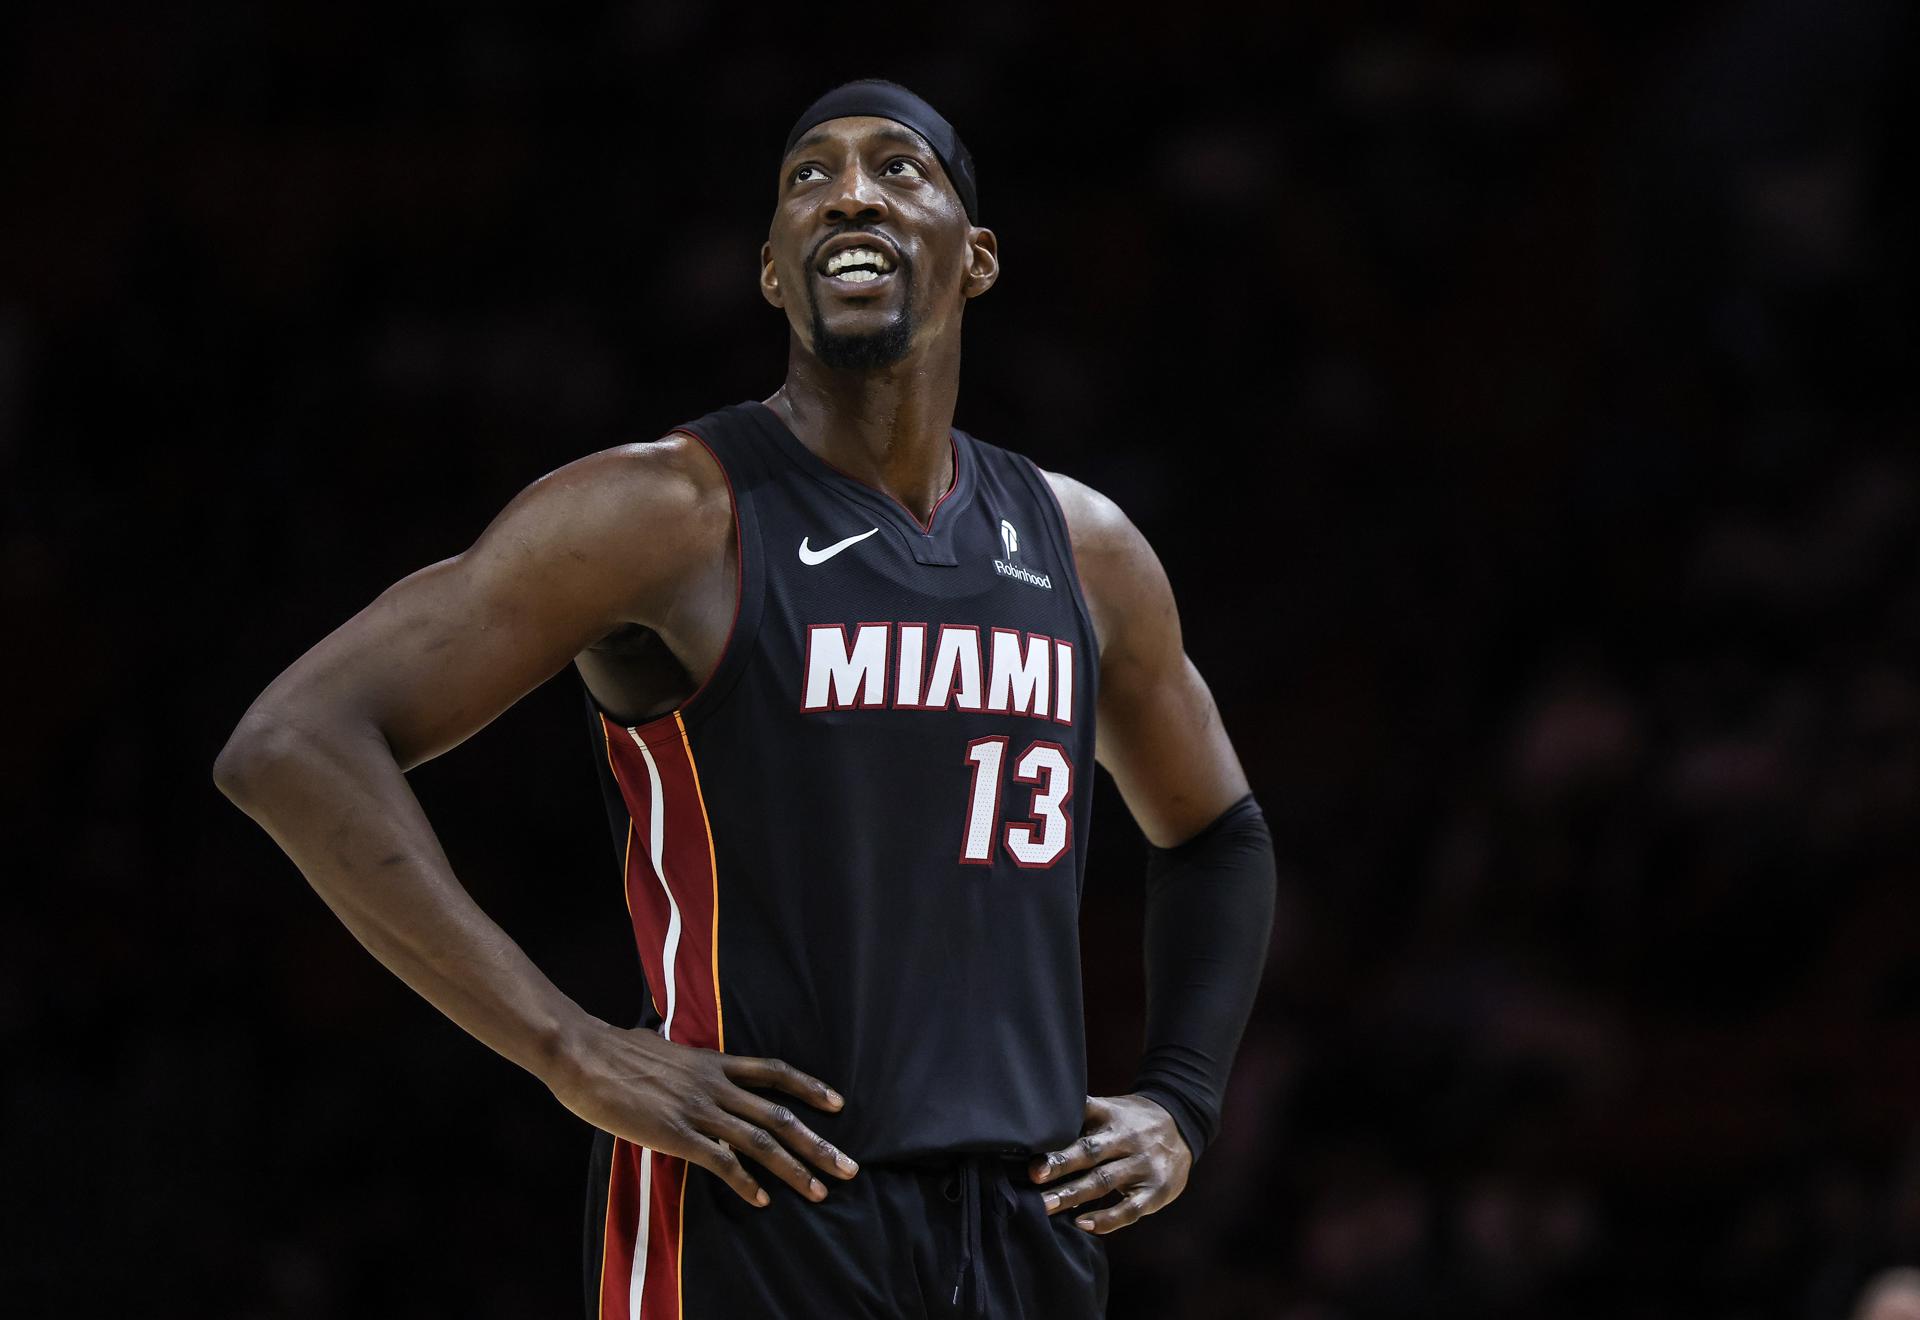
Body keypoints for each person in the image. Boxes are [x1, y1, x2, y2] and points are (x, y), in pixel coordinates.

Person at [214, 79, 1276, 1319]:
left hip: (1020, 1228)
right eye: (808, 178)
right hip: (754, 1213)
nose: (850, 194)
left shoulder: (1085, 550)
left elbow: (1219, 834)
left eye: (898, 167)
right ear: (774, 272)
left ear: (977, 258)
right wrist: (567, 1047)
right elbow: (293, 742)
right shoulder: (665, 513)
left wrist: (1181, 1103)